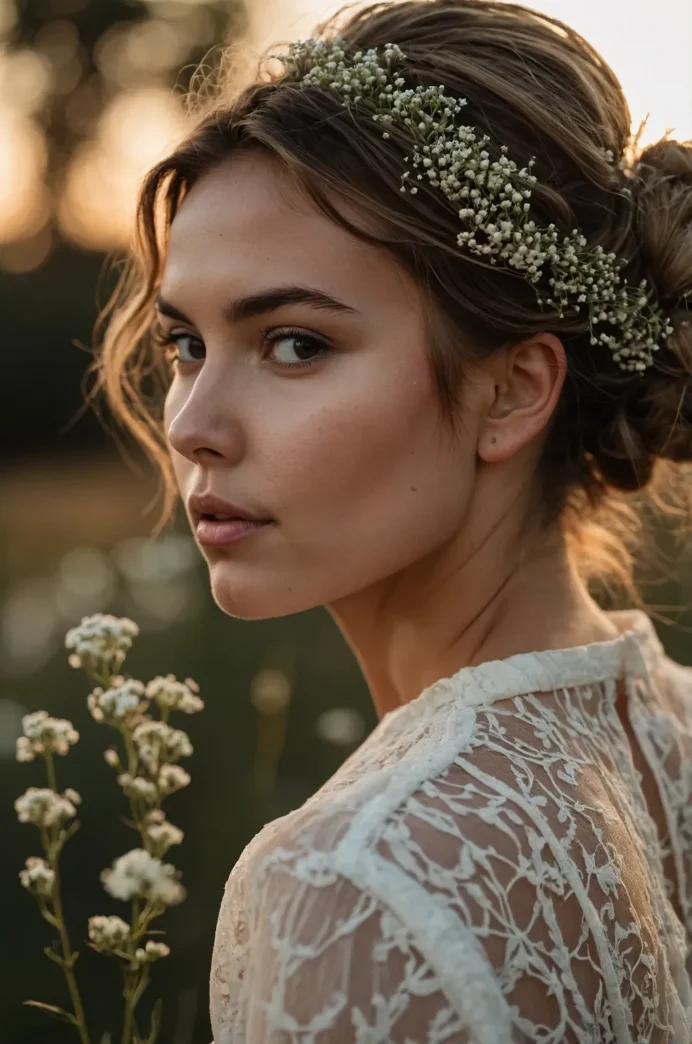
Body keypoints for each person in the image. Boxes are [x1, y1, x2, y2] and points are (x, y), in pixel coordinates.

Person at [93, 0, 692, 1039]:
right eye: (186, 342)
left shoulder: (353, 881)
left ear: (510, 391)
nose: (191, 425)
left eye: (292, 344)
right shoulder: (675, 727)